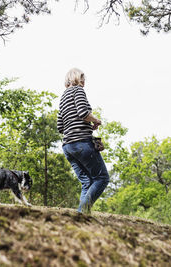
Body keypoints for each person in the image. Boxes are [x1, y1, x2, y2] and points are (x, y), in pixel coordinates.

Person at [57, 68, 110, 213]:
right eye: (83, 79)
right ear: (77, 78)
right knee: (102, 178)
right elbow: (83, 112)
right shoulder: (78, 90)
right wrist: (96, 120)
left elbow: (60, 126)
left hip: (68, 147)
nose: (84, 82)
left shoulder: (62, 98)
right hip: (82, 144)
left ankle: (81, 218)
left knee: (86, 182)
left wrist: (83, 126)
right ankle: (81, 212)